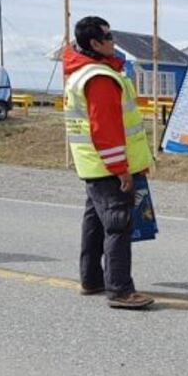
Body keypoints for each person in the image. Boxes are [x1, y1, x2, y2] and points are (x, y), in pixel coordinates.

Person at [63, 16, 154, 309]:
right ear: (95, 43)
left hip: (92, 164)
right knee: (118, 224)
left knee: (95, 223)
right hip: (107, 166)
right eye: (109, 36)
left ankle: (91, 279)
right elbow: (107, 129)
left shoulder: (82, 73)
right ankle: (120, 290)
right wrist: (121, 170)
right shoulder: (99, 78)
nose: (114, 40)